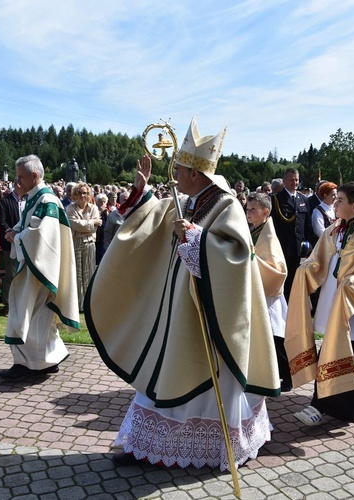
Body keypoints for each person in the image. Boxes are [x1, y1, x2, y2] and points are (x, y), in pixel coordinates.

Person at [87, 117, 280, 470]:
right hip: (181, 310)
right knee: (170, 368)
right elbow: (159, 218)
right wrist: (142, 193)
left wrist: (197, 238)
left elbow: (237, 256)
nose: (174, 175)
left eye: (179, 169)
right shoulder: (191, 200)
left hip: (209, 317)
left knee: (195, 374)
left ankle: (201, 448)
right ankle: (154, 445)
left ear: (195, 172)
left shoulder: (226, 205)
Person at [286, 182, 354, 425]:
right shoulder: (335, 230)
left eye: (340, 200)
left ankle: (337, 406)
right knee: (333, 347)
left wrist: (353, 285)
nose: (335, 204)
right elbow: (319, 259)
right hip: (336, 300)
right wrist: (306, 270)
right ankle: (326, 403)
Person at [0, 155, 78, 380]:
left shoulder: (46, 200)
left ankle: (29, 364)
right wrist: (15, 231)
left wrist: (17, 237)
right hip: (34, 267)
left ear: (34, 176)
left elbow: (43, 235)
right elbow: (28, 226)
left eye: (21, 177)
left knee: (30, 316)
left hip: (40, 269)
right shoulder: (35, 197)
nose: (17, 181)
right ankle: (44, 360)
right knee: (35, 317)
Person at [247, 193, 291, 392]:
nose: (248, 213)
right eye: (247, 209)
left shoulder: (269, 236)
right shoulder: (256, 230)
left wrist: (251, 258)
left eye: (253, 209)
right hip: (258, 293)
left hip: (269, 296)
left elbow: (278, 270)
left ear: (265, 212)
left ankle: (287, 376)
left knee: (275, 337)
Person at [271, 167, 312, 300]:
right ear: (284, 181)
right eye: (291, 180)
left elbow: (307, 224)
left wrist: (309, 244)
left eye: (297, 180)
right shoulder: (277, 199)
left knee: (297, 278)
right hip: (284, 246)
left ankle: (295, 304)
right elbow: (274, 225)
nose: (295, 183)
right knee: (285, 278)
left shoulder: (303, 199)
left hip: (299, 247)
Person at [66, 182, 101, 311]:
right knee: (77, 274)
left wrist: (87, 225)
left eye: (85, 193)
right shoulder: (70, 208)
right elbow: (75, 224)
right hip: (76, 243)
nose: (82, 195)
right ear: (75, 194)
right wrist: (92, 222)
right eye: (80, 193)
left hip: (90, 244)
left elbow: (93, 228)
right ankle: (77, 304)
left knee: (89, 273)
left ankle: (88, 303)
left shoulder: (93, 208)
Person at [0, 178, 27, 317]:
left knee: (25, 275)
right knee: (11, 275)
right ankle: (8, 305)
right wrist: (12, 233)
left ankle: (23, 304)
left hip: (27, 243)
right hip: (10, 244)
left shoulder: (30, 200)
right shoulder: (4, 201)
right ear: (18, 184)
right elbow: (1, 222)